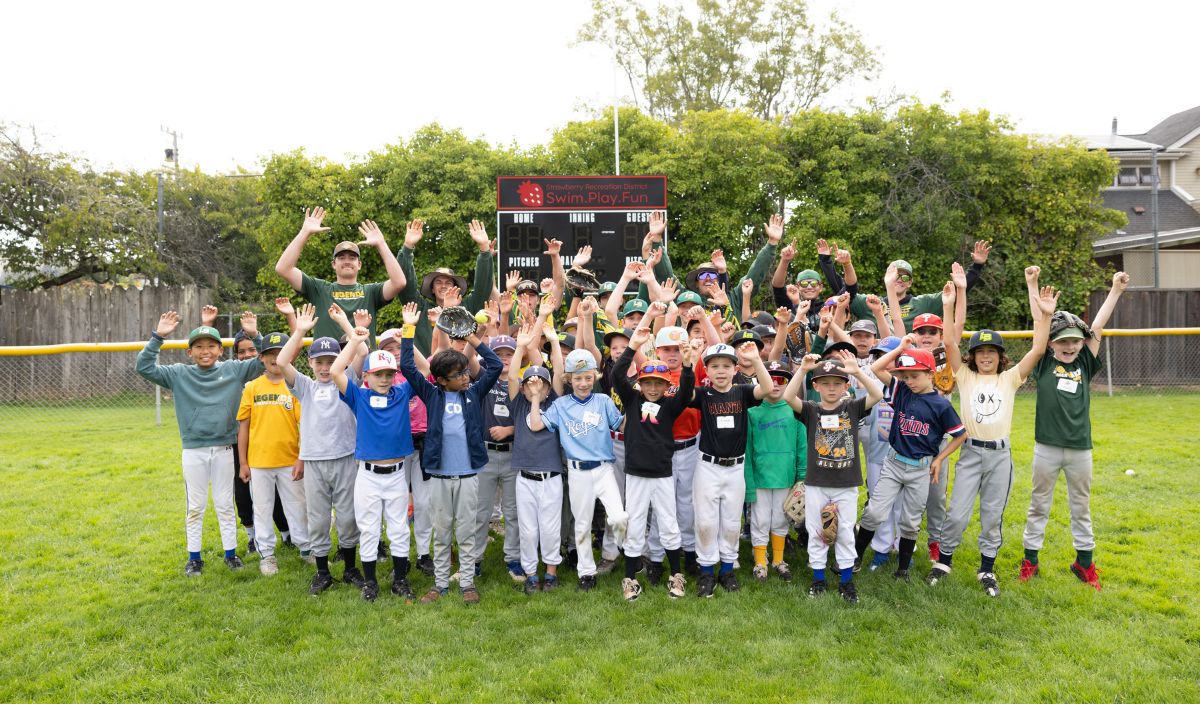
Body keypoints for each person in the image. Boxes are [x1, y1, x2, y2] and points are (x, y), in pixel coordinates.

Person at [932, 266, 1056, 597]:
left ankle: (986, 569)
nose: (986, 357)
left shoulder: (1010, 378)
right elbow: (948, 341)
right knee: (957, 513)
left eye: (992, 352)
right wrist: (950, 302)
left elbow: (1038, 350)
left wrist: (1045, 317)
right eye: (980, 352)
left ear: (1001, 357)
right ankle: (943, 561)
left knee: (991, 514)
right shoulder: (965, 376)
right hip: (971, 452)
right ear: (973, 357)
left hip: (1000, 455)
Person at [1020, 271, 1129, 591]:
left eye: (1074, 340)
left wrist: (1115, 291)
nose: (1069, 346)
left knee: (1080, 507)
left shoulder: (1083, 362)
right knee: (1039, 504)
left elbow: (1098, 326)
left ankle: (1084, 564)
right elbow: (1040, 326)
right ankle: (1031, 560)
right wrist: (1033, 289)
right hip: (1047, 447)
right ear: (1051, 342)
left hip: (1080, 448)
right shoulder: (1042, 361)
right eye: (1062, 340)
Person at [136, 311, 263, 576]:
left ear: (220, 350)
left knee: (225, 504)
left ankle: (231, 554)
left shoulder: (232, 370)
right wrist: (158, 336)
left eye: (211, 346)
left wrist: (254, 334)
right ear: (190, 352)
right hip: (194, 450)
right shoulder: (179, 374)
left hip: (225, 449)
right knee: (195, 506)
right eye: (198, 347)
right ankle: (194, 558)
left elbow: (265, 360)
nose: (205, 351)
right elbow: (144, 367)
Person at [399, 303, 503, 604]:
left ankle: (468, 583)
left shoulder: (473, 393)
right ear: (442, 379)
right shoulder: (431, 394)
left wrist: (472, 338)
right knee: (442, 533)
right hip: (441, 476)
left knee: (467, 532)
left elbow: (494, 366)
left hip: (470, 475)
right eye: (458, 374)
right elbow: (407, 367)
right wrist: (408, 329)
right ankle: (440, 584)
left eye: (465, 372)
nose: (466, 377)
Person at [855, 338, 967, 583]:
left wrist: (939, 459)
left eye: (915, 375)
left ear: (930, 373)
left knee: (910, 521)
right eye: (905, 376)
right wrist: (900, 349)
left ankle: (903, 570)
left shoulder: (940, 405)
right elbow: (876, 369)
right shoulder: (902, 392)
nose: (909, 381)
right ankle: (855, 558)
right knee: (874, 512)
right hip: (893, 464)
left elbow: (960, 435)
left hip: (921, 469)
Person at [277, 304, 367, 594]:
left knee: (348, 516)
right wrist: (300, 331)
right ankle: (322, 572)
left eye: (331, 361)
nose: (326, 367)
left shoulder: (346, 380)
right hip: (315, 462)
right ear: (311, 364)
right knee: (317, 518)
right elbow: (281, 361)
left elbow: (361, 352)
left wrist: (345, 323)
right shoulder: (305, 387)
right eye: (319, 362)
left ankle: (351, 567)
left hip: (344, 458)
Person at [611, 303, 697, 600]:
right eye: (647, 383)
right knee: (635, 526)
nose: (652, 388)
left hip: (662, 472)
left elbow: (686, 392)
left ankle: (676, 575)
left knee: (669, 523)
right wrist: (633, 345)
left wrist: (686, 367)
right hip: (636, 473)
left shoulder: (670, 406)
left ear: (664, 386)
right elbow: (617, 376)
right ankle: (629, 579)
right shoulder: (633, 400)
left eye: (658, 384)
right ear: (640, 383)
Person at [782, 351, 883, 602]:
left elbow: (877, 395)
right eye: (825, 383)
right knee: (817, 530)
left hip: (846, 483)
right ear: (815, 386)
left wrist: (858, 371)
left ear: (845, 386)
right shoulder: (811, 410)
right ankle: (818, 579)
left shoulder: (852, 407)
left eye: (837, 383)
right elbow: (787, 396)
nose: (831, 388)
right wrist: (803, 370)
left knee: (846, 532)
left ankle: (846, 582)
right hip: (817, 482)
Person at [331, 325, 416, 602]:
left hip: (396, 474)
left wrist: (409, 337)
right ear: (366, 375)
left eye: (389, 373)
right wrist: (354, 341)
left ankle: (400, 580)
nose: (384, 378)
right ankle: (370, 582)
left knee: (399, 528)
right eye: (378, 374)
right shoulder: (360, 396)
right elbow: (335, 371)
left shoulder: (401, 393)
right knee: (368, 528)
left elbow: (425, 371)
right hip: (367, 475)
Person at [533, 348, 628, 592]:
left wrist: (634, 403)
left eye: (587, 377)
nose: (583, 383)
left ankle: (626, 549)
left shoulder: (603, 401)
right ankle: (587, 573)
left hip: (604, 468)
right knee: (582, 524)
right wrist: (534, 399)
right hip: (577, 471)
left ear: (595, 377)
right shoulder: (562, 405)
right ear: (569, 380)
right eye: (577, 378)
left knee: (618, 516)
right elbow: (536, 425)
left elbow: (621, 425)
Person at [688, 342, 774, 598]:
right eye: (714, 366)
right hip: (708, 466)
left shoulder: (742, 392)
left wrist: (756, 360)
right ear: (707, 371)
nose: (721, 371)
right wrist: (690, 361)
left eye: (726, 365)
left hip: (735, 467)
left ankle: (726, 569)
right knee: (705, 521)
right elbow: (683, 395)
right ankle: (705, 571)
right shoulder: (704, 394)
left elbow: (768, 389)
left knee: (730, 522)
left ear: (736, 369)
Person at [274, 207, 407, 343]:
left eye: (352, 257)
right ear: (333, 264)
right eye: (341, 257)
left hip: (362, 362)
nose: (347, 261)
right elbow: (283, 268)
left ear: (359, 264)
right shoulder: (319, 289)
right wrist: (305, 232)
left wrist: (381, 244)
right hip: (328, 361)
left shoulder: (371, 292)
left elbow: (399, 282)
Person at [236, 331, 310, 576]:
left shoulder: (295, 386)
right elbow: (244, 427)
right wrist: (244, 463)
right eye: (270, 354)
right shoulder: (252, 387)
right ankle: (266, 555)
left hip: (290, 460)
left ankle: (306, 549)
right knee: (262, 508)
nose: (276, 358)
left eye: (281, 353)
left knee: (297, 507)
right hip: (259, 462)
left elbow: (306, 426)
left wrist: (301, 458)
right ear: (261, 357)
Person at [508, 313, 567, 595]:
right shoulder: (519, 404)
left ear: (546, 388)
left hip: (551, 476)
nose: (535, 386)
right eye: (529, 382)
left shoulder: (555, 403)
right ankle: (532, 573)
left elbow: (557, 372)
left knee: (550, 527)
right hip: (526, 477)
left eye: (539, 384)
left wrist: (554, 342)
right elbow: (510, 375)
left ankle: (551, 572)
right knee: (528, 529)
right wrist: (520, 347)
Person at [744, 361, 806, 584]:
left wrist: (801, 478)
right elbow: (748, 452)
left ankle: (778, 560)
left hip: (785, 477)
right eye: (772, 378)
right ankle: (760, 562)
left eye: (782, 379)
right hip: (760, 478)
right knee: (760, 520)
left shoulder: (794, 412)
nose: (776, 384)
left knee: (780, 519)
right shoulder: (752, 413)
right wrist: (749, 483)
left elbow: (801, 447)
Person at [396, 218, 495, 354]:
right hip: (425, 372)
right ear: (432, 288)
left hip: (463, 371)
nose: (443, 286)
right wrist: (407, 248)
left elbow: (483, 286)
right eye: (438, 282)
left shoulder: (467, 308)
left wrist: (484, 249)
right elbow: (405, 284)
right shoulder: (419, 309)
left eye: (448, 282)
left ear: (456, 288)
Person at [473, 334, 523, 582]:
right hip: (486, 453)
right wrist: (477, 332)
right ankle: (474, 561)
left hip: (513, 453)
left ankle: (513, 559)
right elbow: (471, 358)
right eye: (499, 354)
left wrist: (510, 430)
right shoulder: (484, 376)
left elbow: (530, 418)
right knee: (481, 512)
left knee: (512, 512)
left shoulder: (523, 382)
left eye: (509, 353)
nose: (504, 358)